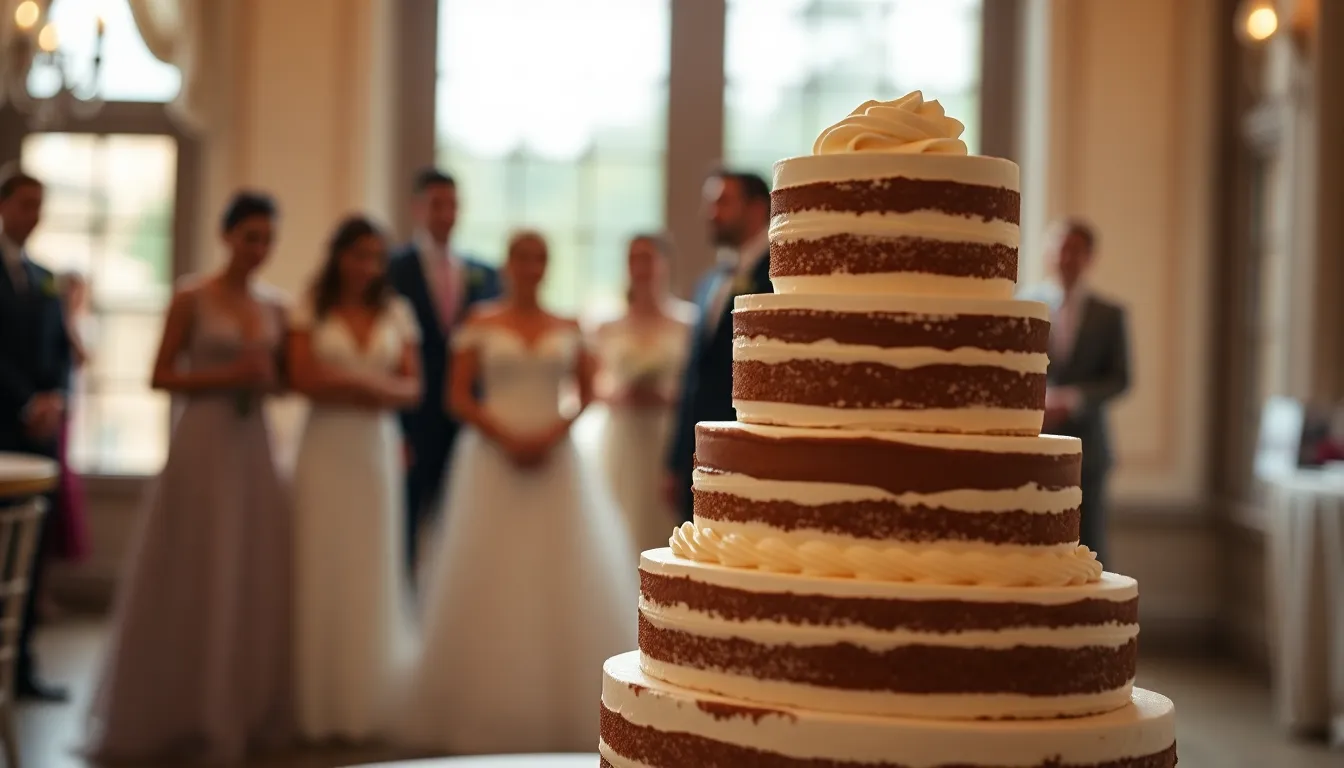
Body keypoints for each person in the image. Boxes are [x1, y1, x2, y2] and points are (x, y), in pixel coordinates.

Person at [399, 230, 636, 754]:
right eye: (522, 257)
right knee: (490, 575)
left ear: (547, 266)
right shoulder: (480, 323)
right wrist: (504, 434)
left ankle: (567, 713)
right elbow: (456, 396)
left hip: (555, 459)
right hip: (491, 458)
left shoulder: (567, 324)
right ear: (507, 264)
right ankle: (483, 715)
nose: (531, 266)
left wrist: (553, 433)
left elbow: (591, 390)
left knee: (557, 576)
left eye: (540, 257)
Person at [85, 192, 293, 764]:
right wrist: (230, 373)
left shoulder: (277, 307)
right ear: (227, 235)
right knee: (195, 562)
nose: (259, 249)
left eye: (268, 239)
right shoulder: (192, 296)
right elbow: (160, 374)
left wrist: (266, 378)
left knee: (248, 566)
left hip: (254, 446)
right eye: (250, 236)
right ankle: (177, 707)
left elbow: (283, 382)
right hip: (203, 440)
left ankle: (241, 706)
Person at [288, 216, 421, 742]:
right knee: (322, 558)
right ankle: (317, 703)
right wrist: (368, 385)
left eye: (374, 256)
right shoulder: (310, 305)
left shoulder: (396, 310)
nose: (365, 266)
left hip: (373, 449)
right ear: (338, 255)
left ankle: (369, 699)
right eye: (356, 254)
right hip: (325, 446)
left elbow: (412, 389)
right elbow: (301, 378)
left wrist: (347, 383)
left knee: (370, 561)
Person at [387, 168, 501, 579]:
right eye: (437, 204)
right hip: (412, 420)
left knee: (461, 527)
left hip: (467, 424)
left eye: (452, 204)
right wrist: (397, 429)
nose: (446, 214)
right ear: (418, 209)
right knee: (406, 524)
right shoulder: (392, 269)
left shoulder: (484, 274)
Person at [664, 170, 773, 521]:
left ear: (757, 209)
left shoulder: (779, 277)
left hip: (749, 457)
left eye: (722, 202)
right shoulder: (708, 282)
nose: (709, 213)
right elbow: (693, 377)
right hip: (699, 458)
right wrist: (677, 460)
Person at [0, 165, 71, 702]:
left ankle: (20, 667)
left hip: (38, 436)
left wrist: (55, 398)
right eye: (26, 203)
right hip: (3, 424)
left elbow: (60, 349)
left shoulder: (44, 276)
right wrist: (24, 401)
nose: (34, 214)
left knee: (28, 553)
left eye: (40, 203)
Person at [1025, 219, 1130, 564]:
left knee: (1091, 540)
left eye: (1072, 249)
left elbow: (1121, 378)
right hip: (1034, 442)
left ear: (1088, 256)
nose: (1063, 256)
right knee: (1034, 538)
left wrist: (1074, 398)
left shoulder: (1110, 314)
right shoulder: (1025, 305)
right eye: (1057, 247)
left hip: (1090, 447)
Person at [594, 233, 694, 553]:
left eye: (648, 258)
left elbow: (696, 384)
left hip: (666, 432)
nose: (641, 267)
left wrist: (667, 396)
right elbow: (594, 384)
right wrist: (619, 395)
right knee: (619, 516)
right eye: (634, 259)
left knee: (662, 519)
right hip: (624, 433)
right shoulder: (607, 325)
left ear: (664, 264)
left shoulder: (687, 323)